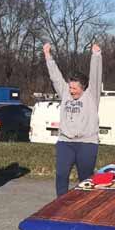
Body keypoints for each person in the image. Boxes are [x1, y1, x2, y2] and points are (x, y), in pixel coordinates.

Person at [43, 42, 102, 196]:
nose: (71, 91)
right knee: (61, 175)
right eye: (70, 87)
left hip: (87, 143)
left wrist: (96, 56)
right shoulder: (65, 93)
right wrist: (48, 56)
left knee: (85, 179)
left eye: (75, 88)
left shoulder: (92, 96)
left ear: (83, 87)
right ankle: (60, 206)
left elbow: (95, 77)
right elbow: (55, 77)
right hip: (65, 142)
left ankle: (83, 209)